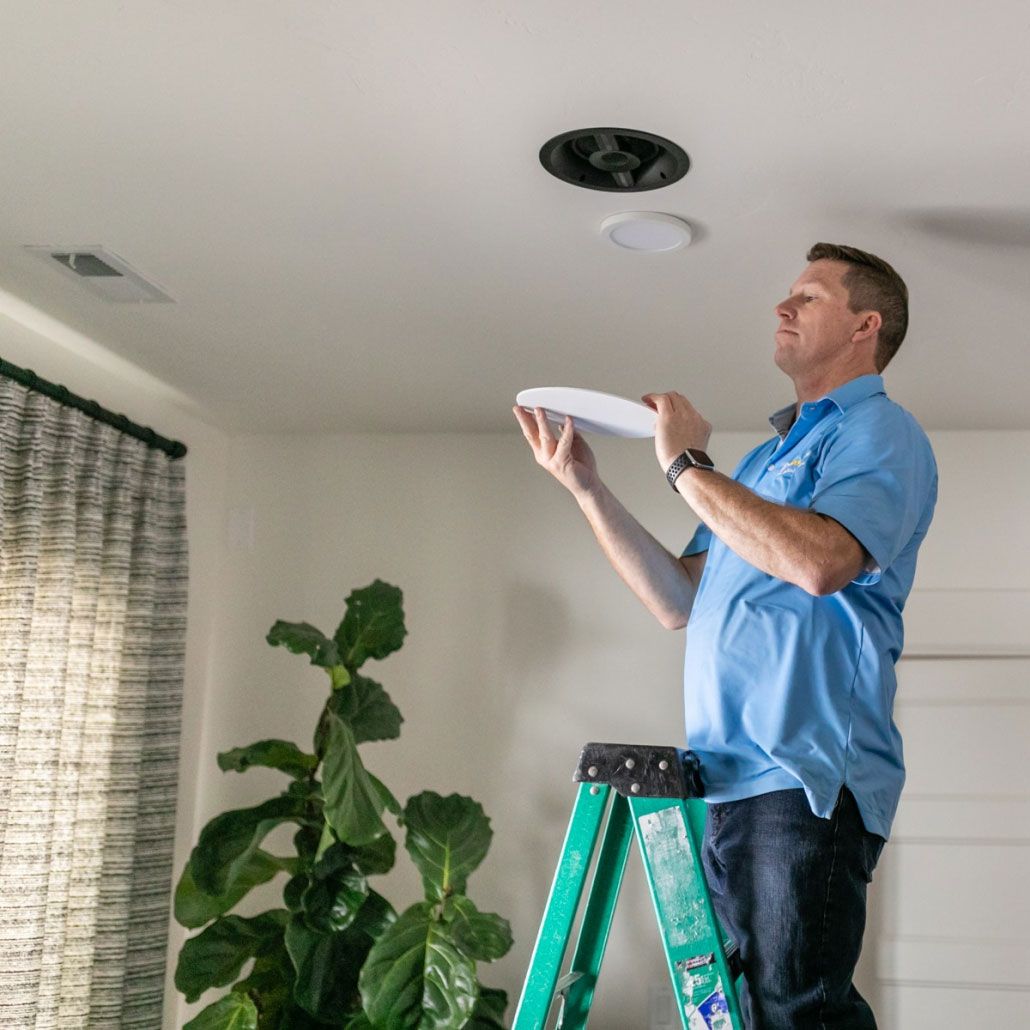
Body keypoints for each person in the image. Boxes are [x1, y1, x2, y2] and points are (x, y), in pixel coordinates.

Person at [512, 243, 938, 1029]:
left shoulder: (883, 432)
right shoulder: (766, 461)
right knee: (743, 1011)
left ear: (864, 326)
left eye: (808, 298)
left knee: (797, 1012)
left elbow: (820, 563)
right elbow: (680, 597)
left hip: (802, 772)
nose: (783, 308)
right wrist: (588, 487)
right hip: (728, 777)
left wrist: (687, 467)